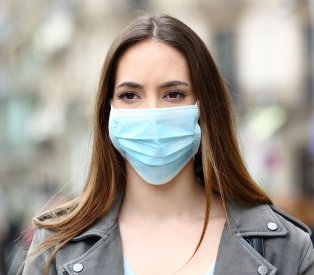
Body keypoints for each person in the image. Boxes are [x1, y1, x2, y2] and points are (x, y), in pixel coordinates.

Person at [22, 14, 314, 274]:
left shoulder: (287, 248)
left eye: (173, 94)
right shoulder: (56, 248)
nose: (153, 113)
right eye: (130, 96)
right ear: (107, 111)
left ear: (205, 108)